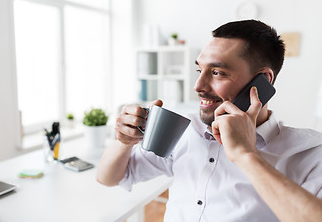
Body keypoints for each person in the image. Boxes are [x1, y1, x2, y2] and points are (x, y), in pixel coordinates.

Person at [97, 20, 322, 221]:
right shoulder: (185, 130)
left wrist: (246, 155)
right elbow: (109, 178)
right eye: (199, 69)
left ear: (262, 81)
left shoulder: (310, 152)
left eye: (217, 72)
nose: (198, 86)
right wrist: (124, 142)